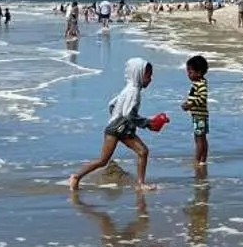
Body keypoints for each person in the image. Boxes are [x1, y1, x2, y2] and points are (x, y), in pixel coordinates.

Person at [70, 57, 161, 192]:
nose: (150, 79)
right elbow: (128, 114)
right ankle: (140, 184)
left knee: (106, 160)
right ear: (138, 74)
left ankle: (77, 176)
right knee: (140, 152)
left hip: (116, 128)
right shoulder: (134, 92)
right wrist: (147, 123)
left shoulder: (128, 88)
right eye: (148, 75)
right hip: (119, 129)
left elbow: (112, 104)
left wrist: (114, 118)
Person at [183, 55, 210, 173]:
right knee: (200, 138)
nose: (188, 74)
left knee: (199, 139)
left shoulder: (201, 85)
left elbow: (202, 99)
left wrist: (190, 105)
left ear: (199, 73)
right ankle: (202, 160)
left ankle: (198, 160)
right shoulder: (198, 83)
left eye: (190, 72)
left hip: (200, 116)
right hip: (198, 115)